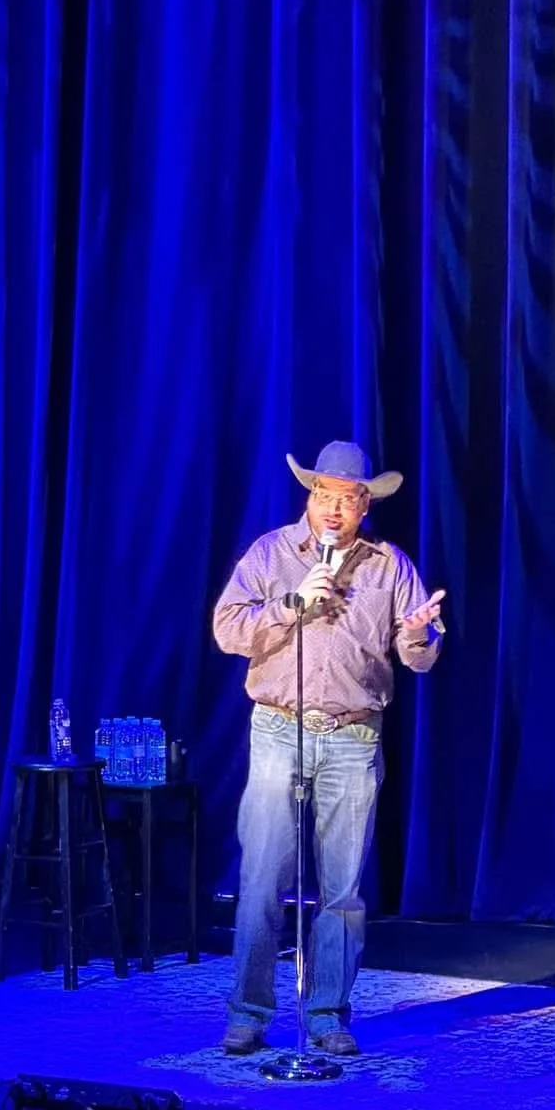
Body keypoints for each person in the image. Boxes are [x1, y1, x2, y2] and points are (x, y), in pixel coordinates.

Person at [212, 441, 444, 1056]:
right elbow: (228, 629)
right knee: (262, 878)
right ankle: (249, 1012)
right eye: (323, 495)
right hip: (278, 729)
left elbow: (416, 654)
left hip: (353, 736)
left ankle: (327, 1014)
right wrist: (292, 604)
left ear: (364, 505)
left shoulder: (388, 564)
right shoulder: (271, 553)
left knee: (341, 890)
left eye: (347, 498)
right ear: (309, 498)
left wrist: (419, 635)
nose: (334, 509)